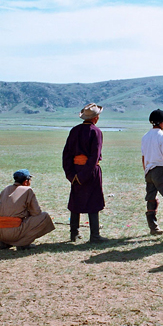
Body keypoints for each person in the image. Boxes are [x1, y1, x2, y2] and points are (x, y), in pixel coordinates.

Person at [62, 103, 108, 243]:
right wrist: (84, 175)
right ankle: (94, 236)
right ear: (95, 118)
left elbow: (66, 155)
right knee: (93, 202)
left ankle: (74, 234)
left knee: (76, 202)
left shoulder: (74, 131)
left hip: (75, 171)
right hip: (91, 172)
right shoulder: (96, 132)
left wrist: (71, 175)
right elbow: (94, 156)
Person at [0, 169, 55, 250]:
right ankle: (23, 243)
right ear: (26, 182)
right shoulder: (27, 190)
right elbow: (36, 213)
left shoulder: (5, 189)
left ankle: (4, 242)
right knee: (44, 216)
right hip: (13, 233)